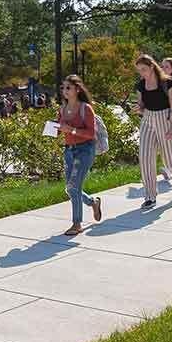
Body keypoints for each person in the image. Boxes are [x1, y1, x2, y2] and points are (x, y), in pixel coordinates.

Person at [134, 53, 172, 209]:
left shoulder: (167, 83)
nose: (142, 73)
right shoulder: (141, 85)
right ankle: (150, 196)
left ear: (152, 67)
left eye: (144, 69)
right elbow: (142, 106)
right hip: (147, 119)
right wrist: (139, 108)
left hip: (165, 119)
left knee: (170, 160)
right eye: (139, 70)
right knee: (145, 158)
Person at [56, 75, 100, 235]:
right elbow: (60, 129)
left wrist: (72, 130)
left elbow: (91, 133)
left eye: (68, 88)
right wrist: (54, 128)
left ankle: (77, 224)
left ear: (77, 89)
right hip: (69, 150)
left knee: (73, 187)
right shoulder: (62, 109)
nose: (65, 91)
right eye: (63, 88)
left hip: (85, 149)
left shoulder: (85, 108)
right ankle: (93, 202)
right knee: (70, 189)